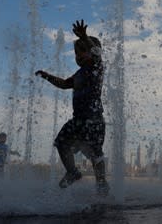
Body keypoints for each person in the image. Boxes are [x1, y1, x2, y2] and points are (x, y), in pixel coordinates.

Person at [35, 19, 109, 196]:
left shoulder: (96, 68)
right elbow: (62, 84)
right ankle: (72, 171)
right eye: (76, 53)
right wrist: (47, 76)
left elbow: (97, 54)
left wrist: (84, 36)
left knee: (95, 152)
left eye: (83, 52)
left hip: (94, 119)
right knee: (61, 142)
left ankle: (101, 183)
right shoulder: (78, 74)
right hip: (78, 120)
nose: (79, 56)